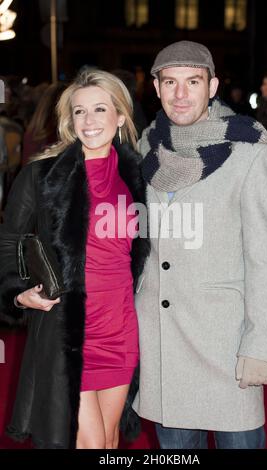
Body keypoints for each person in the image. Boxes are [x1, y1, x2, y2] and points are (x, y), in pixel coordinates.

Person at [132, 41, 267, 449]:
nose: (181, 93)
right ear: (156, 87)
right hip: (163, 345)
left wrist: (260, 346)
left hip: (226, 343)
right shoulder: (145, 148)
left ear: (212, 85)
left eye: (193, 81)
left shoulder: (250, 155)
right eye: (170, 82)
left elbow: (265, 261)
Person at [0, 69, 150, 449]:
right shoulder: (40, 176)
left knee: (111, 441)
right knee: (91, 442)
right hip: (69, 330)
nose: (89, 120)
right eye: (79, 111)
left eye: (100, 109)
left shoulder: (141, 177)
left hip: (121, 329)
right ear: (68, 120)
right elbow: (7, 242)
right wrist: (18, 293)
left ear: (120, 117)